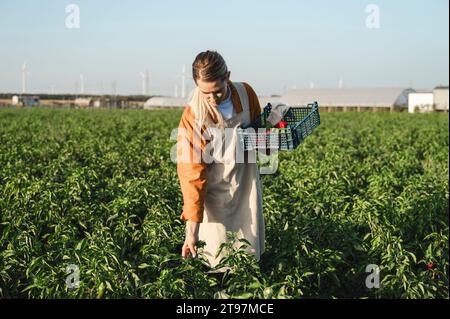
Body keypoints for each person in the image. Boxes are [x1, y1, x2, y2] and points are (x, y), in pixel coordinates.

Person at [176, 50, 265, 270]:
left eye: (217, 91)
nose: (212, 99)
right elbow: (191, 174)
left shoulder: (246, 94)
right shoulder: (193, 115)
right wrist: (191, 232)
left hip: (246, 185)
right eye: (205, 93)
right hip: (214, 194)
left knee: (249, 253)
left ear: (228, 77)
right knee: (218, 257)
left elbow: (259, 131)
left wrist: (272, 139)